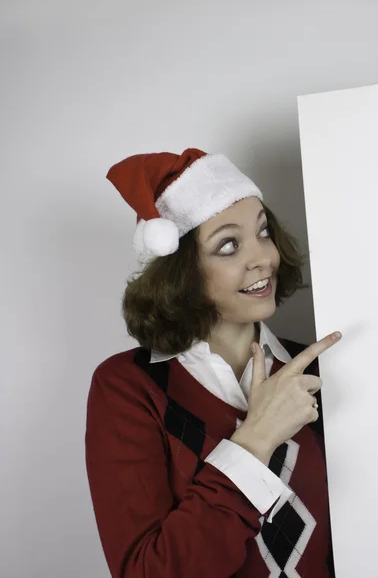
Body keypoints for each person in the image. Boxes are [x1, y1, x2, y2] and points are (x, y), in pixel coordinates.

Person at [84, 147, 342, 578]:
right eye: (228, 245)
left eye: (263, 232)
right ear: (182, 273)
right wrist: (256, 439)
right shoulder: (128, 387)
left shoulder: (317, 369)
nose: (263, 257)